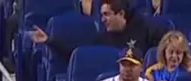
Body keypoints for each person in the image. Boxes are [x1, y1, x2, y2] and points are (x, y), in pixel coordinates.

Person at [31, 0, 167, 68]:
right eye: (102, 15)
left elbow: (167, 46)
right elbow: (76, 55)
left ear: (121, 14)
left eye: (107, 14)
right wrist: (49, 41)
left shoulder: (147, 29)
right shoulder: (102, 39)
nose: (102, 19)